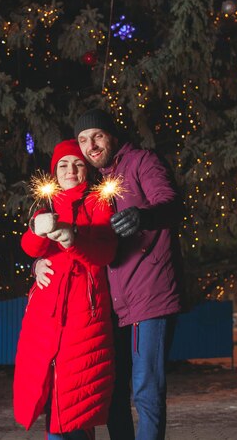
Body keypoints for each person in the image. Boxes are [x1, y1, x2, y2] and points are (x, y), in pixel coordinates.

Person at [37, 109, 185, 440]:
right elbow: (72, 242)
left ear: (112, 137)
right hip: (113, 305)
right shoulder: (96, 185)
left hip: (150, 295)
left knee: (146, 388)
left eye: (97, 136)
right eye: (83, 140)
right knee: (114, 395)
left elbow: (172, 204)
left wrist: (142, 216)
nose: (90, 145)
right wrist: (37, 264)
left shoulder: (141, 162)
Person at [13, 139, 117, 440]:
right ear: (54, 172)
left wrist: (74, 241)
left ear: (87, 169)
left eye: (78, 164)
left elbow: (106, 251)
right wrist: (36, 233)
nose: (70, 170)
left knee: (77, 393)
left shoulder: (99, 202)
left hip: (84, 311)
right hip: (45, 311)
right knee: (46, 388)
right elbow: (29, 247)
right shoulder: (45, 205)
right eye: (63, 165)